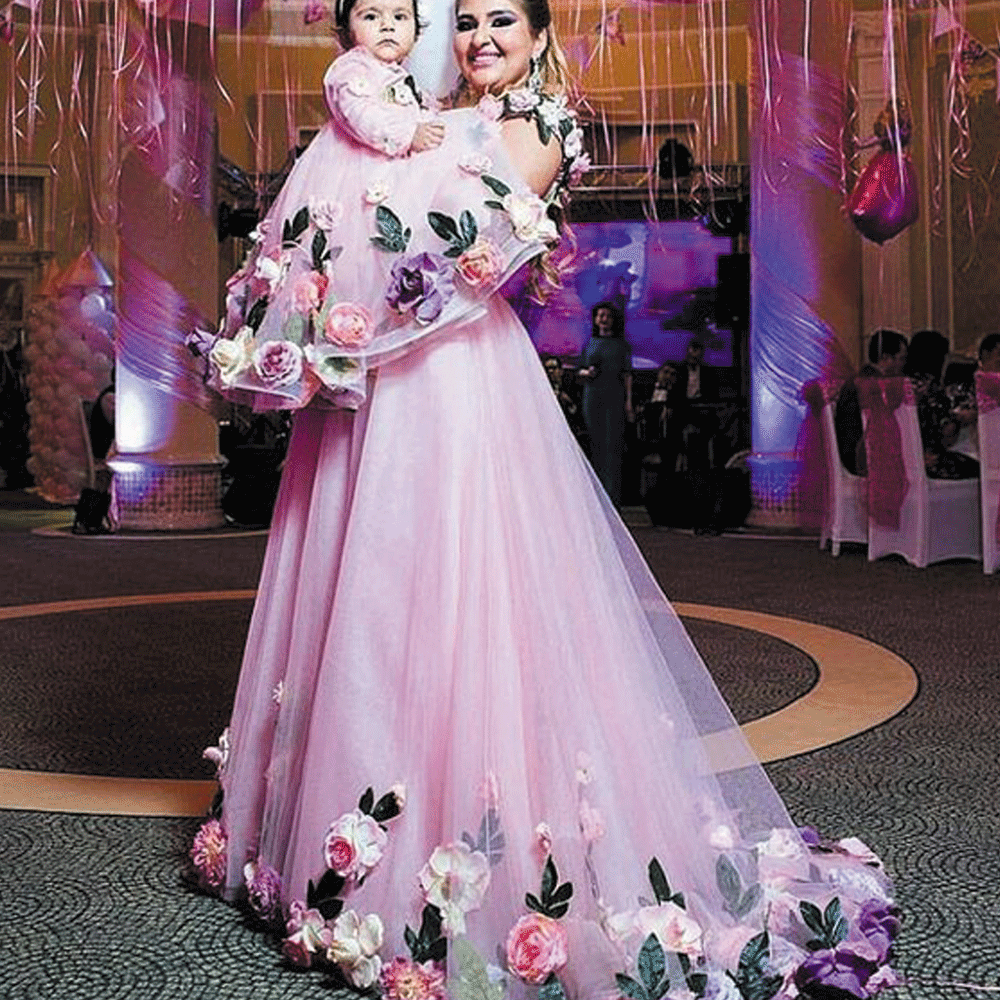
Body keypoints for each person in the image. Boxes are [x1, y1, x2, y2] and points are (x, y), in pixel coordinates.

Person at [191, 1, 900, 996]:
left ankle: (462, 844)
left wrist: (364, 258)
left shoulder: (541, 123)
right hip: (389, 383)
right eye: (468, 19)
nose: (481, 35)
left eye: (501, 21)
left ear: (535, 37)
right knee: (379, 587)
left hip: (459, 383)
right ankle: (364, 815)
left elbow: (447, 257)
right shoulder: (422, 112)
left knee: (461, 587)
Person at [579, 301, 633, 504]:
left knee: (613, 446)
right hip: (593, 397)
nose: (604, 319)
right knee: (595, 444)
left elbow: (627, 374)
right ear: (595, 319)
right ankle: (594, 498)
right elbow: (580, 371)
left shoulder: (621, 346)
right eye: (600, 316)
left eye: (608, 316)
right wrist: (587, 373)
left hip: (614, 396)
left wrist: (628, 402)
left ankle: (612, 497)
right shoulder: (589, 343)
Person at [905, 329, 978, 480]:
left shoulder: (905, 381)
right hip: (928, 459)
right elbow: (944, 433)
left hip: (908, 456)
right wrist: (959, 419)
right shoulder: (928, 386)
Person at [834, 329, 908, 475]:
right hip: (861, 456)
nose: (904, 364)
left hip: (853, 453)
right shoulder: (874, 386)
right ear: (886, 358)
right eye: (901, 358)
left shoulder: (863, 379)